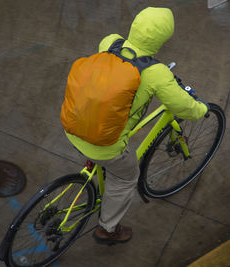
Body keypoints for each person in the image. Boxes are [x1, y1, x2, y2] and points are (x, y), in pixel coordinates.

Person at [62, 7, 208, 245]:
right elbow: (184, 108)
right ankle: (108, 230)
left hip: (72, 125)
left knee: (103, 150)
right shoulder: (156, 73)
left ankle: (94, 166)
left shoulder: (110, 42)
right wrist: (202, 108)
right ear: (162, 38)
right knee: (125, 178)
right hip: (105, 146)